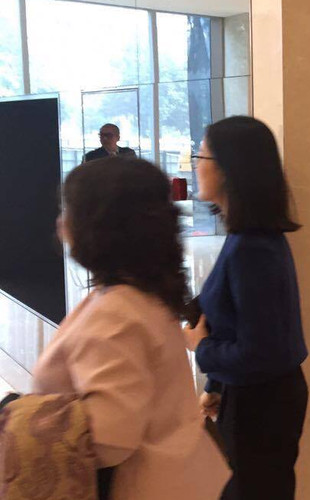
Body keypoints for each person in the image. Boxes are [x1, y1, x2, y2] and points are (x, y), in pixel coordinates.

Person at [33, 156, 229, 499]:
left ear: (99, 225)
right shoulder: (141, 292)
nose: (61, 222)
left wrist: (24, 420)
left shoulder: (116, 312)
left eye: (69, 210)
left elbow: (111, 437)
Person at [182, 116, 308, 500]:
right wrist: (217, 384)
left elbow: (259, 350)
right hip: (252, 395)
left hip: (263, 404)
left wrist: (201, 348)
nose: (195, 165)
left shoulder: (253, 247)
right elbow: (238, 325)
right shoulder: (247, 238)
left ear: (227, 168)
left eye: (201, 155)